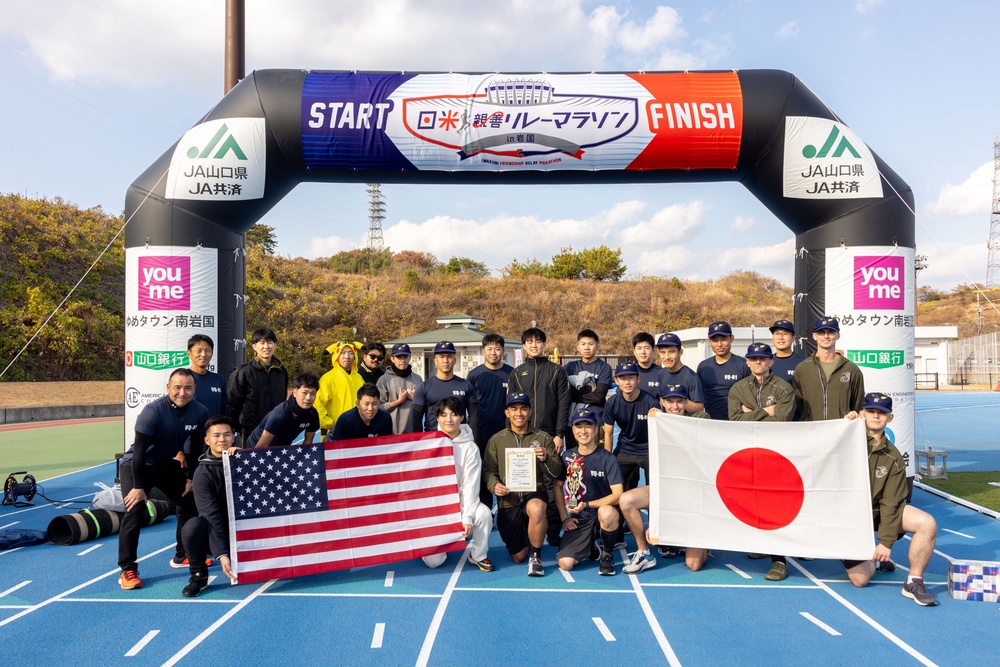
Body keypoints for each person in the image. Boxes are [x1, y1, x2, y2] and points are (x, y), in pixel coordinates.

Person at [118, 368, 210, 590]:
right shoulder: (153, 411)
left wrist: (190, 478)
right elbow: (139, 451)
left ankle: (182, 554)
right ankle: (127, 569)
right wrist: (139, 486)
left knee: (189, 500)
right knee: (135, 511)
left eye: (188, 388)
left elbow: (196, 448)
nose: (182, 392)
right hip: (137, 467)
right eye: (177, 387)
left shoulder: (200, 411)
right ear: (168, 388)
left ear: (195, 390)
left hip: (165, 465)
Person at [844, 393, 938, 606]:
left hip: (877, 512)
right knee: (859, 580)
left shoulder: (894, 457)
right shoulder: (846, 437)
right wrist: (843, 425)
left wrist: (885, 542)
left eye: (882, 413)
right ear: (862, 413)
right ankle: (874, 564)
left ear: (890, 418)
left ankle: (913, 582)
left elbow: (892, 501)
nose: (876, 416)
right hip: (848, 517)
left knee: (927, 523)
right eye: (871, 411)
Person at [621, 384, 710, 574]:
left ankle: (706, 540)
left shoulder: (700, 420)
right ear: (662, 402)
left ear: (686, 402)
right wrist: (655, 523)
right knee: (627, 500)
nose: (675, 406)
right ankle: (644, 552)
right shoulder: (657, 423)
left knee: (693, 565)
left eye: (679, 401)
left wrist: (662, 419)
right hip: (668, 489)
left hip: (693, 494)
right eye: (670, 402)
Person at [727, 343, 795, 581]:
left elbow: (784, 420)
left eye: (763, 359)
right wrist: (767, 411)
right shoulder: (737, 388)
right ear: (747, 362)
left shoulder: (784, 388)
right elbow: (735, 420)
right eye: (753, 359)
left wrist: (751, 413)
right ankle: (761, 543)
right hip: (748, 453)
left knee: (775, 505)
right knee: (752, 500)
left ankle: (779, 560)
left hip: (776, 454)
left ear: (771, 362)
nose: (758, 362)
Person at [482, 393, 561, 577]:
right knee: (518, 556)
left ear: (530, 412)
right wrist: (494, 485)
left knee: (537, 509)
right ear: (507, 413)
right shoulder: (496, 440)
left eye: (523, 408)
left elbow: (556, 471)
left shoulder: (542, 438)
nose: (519, 413)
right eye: (514, 409)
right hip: (508, 500)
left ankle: (536, 556)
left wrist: (546, 458)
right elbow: (488, 471)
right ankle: (530, 535)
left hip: (533, 493)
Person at [508, 327, 571, 547]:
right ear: (523, 346)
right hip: (523, 436)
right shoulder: (517, 373)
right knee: (523, 482)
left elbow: (564, 404)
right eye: (529, 342)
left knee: (550, 484)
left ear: (544, 344)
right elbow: (511, 406)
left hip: (548, 436)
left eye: (538, 341)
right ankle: (526, 529)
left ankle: (553, 531)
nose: (534, 345)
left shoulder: (556, 371)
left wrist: (559, 434)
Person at [421, 397, 494, 572]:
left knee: (484, 514)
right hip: (436, 507)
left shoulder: (470, 448)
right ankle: (440, 542)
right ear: (437, 418)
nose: (449, 420)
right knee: (433, 563)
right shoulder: (427, 443)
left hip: (461, 503)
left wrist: (467, 517)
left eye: (454, 414)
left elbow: (470, 485)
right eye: (444, 415)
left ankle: (478, 554)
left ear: (462, 417)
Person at [553, 408, 624, 576]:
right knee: (565, 563)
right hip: (580, 520)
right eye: (579, 426)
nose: (583, 431)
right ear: (573, 430)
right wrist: (564, 519)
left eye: (588, 426)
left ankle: (607, 554)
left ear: (596, 429)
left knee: (606, 512)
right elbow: (557, 486)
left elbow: (618, 494)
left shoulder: (608, 458)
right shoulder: (567, 456)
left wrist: (587, 505)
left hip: (602, 515)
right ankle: (591, 548)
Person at [179, 415, 240, 597]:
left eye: (227, 434)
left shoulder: (245, 461)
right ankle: (198, 576)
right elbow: (211, 515)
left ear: (233, 437)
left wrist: (245, 458)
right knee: (192, 527)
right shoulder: (203, 474)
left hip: (245, 530)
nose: (222, 439)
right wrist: (221, 554)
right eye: (216, 435)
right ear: (207, 440)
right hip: (218, 532)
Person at [467, 333, 514, 505]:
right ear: (483, 351)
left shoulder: (512, 373)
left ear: (503, 351)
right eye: (489, 349)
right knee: (482, 474)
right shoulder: (474, 375)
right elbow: (468, 406)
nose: (493, 352)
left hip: (506, 432)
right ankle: (485, 510)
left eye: (497, 348)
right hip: (480, 433)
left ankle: (507, 510)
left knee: (507, 473)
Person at [602, 361, 659, 491]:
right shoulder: (612, 403)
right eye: (622, 378)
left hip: (648, 450)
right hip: (625, 449)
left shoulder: (651, 402)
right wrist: (607, 460)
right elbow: (608, 433)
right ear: (616, 380)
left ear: (638, 378)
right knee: (618, 488)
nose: (627, 382)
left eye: (631, 378)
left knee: (655, 490)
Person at [793, 317, 865, 421]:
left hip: (842, 432)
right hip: (811, 432)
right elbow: (797, 407)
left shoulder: (851, 369)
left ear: (838, 335)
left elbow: (858, 407)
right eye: (821, 332)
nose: (826, 336)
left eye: (831, 332)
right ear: (814, 336)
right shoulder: (802, 369)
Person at [227, 327, 289, 441]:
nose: (266, 346)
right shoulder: (243, 372)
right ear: (254, 346)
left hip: (276, 428)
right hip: (252, 430)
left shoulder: (281, 371)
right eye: (262, 343)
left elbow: (283, 398)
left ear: (275, 344)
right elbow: (233, 403)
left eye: (270, 342)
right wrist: (239, 427)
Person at [410, 341, 479, 433]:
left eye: (449, 356)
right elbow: (416, 419)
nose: (446, 360)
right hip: (433, 439)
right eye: (441, 357)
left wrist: (473, 438)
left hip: (459, 439)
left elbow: (474, 415)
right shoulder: (424, 387)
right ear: (435, 361)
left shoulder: (466, 386)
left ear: (455, 360)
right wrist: (419, 442)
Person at [244, 372, 320, 448]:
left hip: (281, 449)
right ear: (295, 392)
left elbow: (308, 442)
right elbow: (261, 447)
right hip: (256, 447)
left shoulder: (313, 414)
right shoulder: (281, 414)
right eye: (304, 393)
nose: (308, 398)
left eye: (313, 393)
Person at [564, 329, 613, 445]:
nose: (587, 348)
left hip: (596, 421)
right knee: (575, 461)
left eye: (591, 344)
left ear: (597, 346)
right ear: (578, 347)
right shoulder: (570, 367)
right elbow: (565, 393)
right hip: (574, 422)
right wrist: (588, 389)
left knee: (596, 460)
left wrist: (574, 394)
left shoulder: (604, 367)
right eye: (583, 344)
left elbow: (599, 397)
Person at [697, 321, 750, 420]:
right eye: (715, 340)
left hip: (737, 422)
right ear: (709, 341)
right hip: (710, 422)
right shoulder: (703, 366)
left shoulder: (744, 365)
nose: (719, 344)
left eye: (723, 339)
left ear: (732, 339)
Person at [315, 340, 364, 434]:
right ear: (336, 355)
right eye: (343, 353)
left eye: (351, 353)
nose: (347, 356)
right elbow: (317, 405)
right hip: (334, 433)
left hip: (358, 431)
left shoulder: (359, 378)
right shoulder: (328, 379)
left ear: (355, 356)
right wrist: (330, 424)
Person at [377, 343, 422, 434]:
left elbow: (426, 406)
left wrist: (415, 398)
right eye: (399, 357)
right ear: (392, 358)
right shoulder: (384, 380)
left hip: (415, 434)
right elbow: (377, 407)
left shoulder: (418, 379)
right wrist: (399, 401)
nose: (403, 360)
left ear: (409, 357)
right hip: (391, 435)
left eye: (405, 356)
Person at [655, 333, 705, 414]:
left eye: (671, 352)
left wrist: (679, 400)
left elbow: (700, 408)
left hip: (685, 424)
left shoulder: (691, 377)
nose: (667, 357)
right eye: (663, 352)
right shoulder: (661, 373)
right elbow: (662, 401)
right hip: (667, 423)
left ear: (680, 352)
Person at [328, 383, 393, 440]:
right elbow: (337, 449)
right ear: (357, 404)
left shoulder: (385, 418)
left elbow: (387, 446)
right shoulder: (346, 421)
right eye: (366, 404)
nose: (370, 408)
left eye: (374, 404)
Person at [187, 334, 227, 417]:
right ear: (189, 354)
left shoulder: (219, 379)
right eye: (199, 350)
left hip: (214, 429)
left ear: (212, 353)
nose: (203, 354)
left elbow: (224, 410)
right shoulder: (183, 378)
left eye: (207, 350)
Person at [769, 320, 806, 386]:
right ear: (772, 338)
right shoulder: (765, 362)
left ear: (793, 338)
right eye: (777, 334)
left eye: (785, 334)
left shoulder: (803, 363)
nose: (780, 338)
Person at [631, 332, 664, 397]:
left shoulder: (663, 373)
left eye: (646, 348)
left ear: (653, 351)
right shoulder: (629, 373)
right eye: (639, 348)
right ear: (634, 352)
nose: (643, 352)